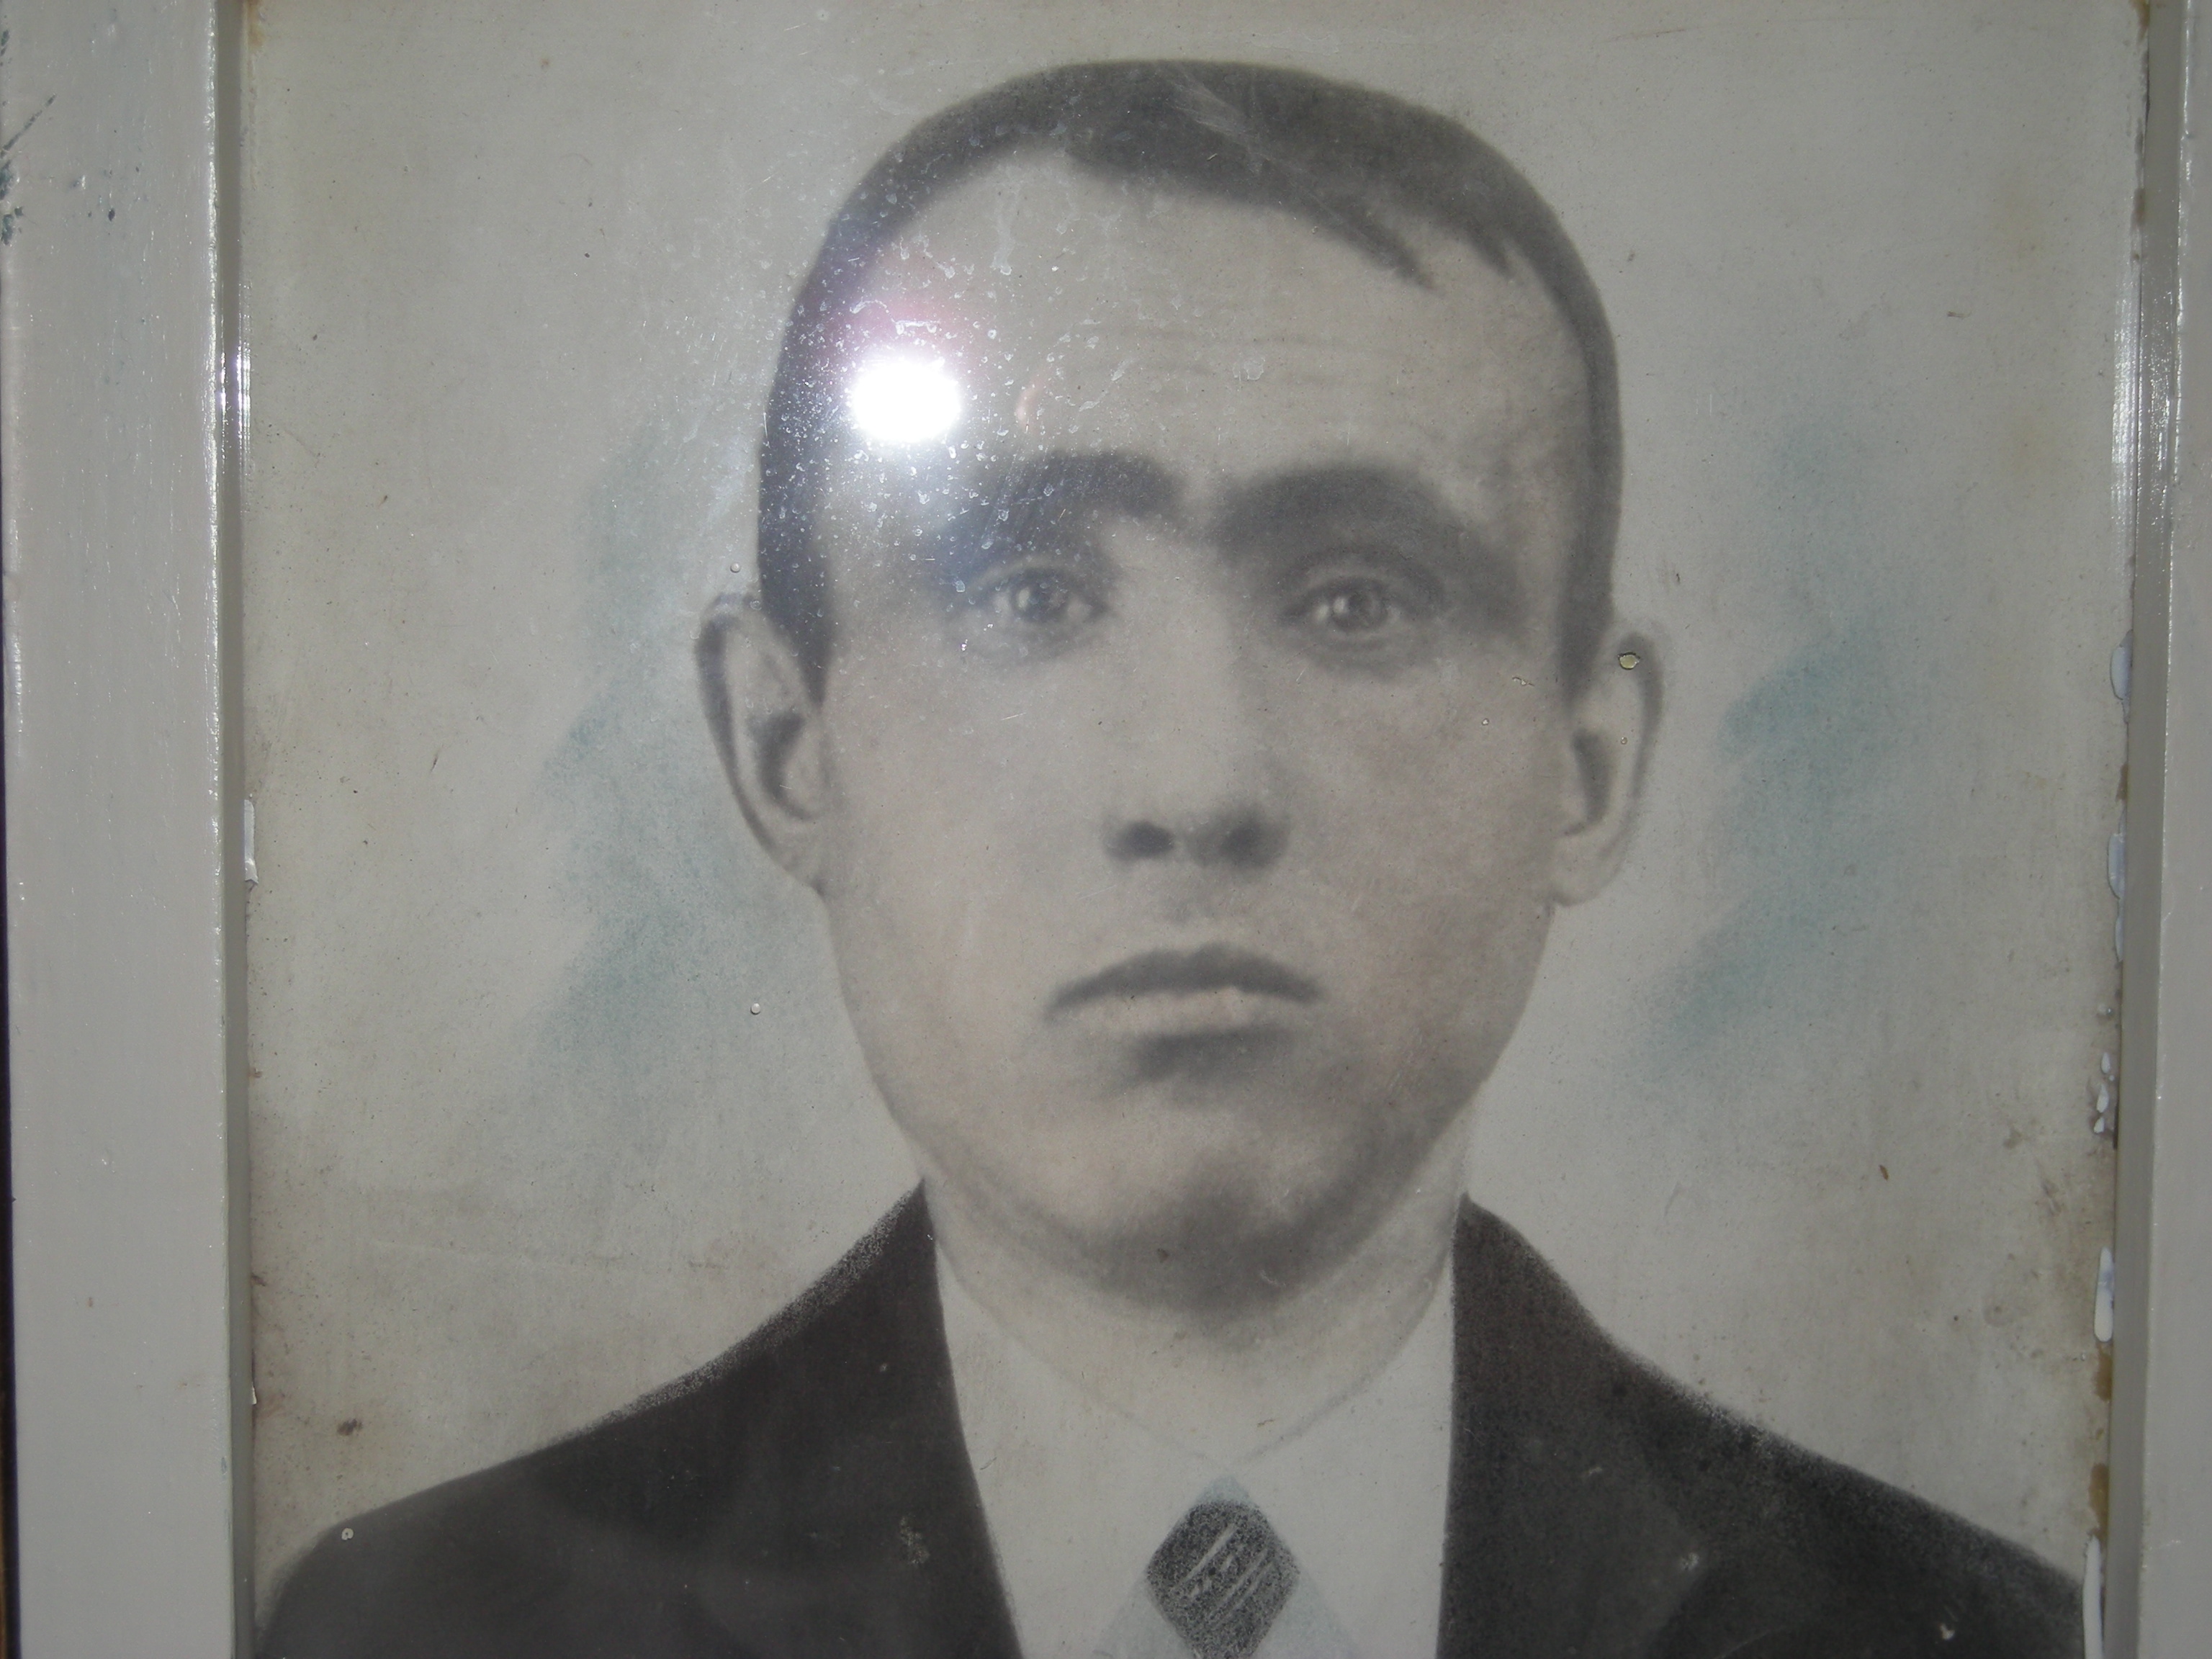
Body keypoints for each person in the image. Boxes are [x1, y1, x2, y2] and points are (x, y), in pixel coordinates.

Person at [261, 60, 2080, 1659]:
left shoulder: (1979, 1638)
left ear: (1589, 769)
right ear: (783, 744)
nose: (1199, 785)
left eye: (1359, 599)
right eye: (1028, 593)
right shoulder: (430, 1632)